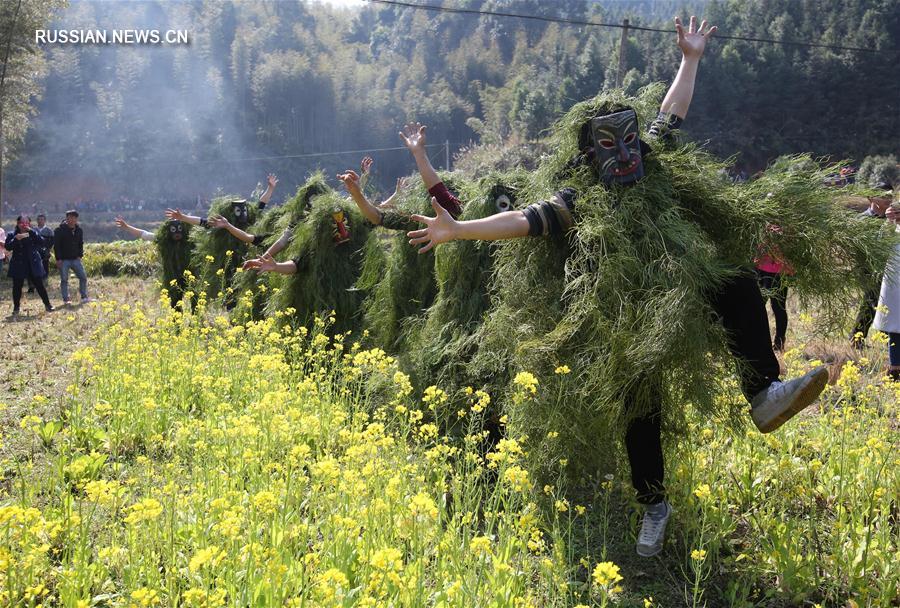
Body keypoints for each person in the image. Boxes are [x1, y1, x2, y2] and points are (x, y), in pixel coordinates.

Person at [407, 16, 830, 558]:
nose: (628, 154)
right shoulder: (576, 200)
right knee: (640, 403)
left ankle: (762, 393)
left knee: (734, 278)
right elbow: (522, 220)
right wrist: (459, 228)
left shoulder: (648, 160)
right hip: (627, 314)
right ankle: (654, 506)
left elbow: (669, 115)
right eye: (611, 146)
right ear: (587, 156)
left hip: (681, 284)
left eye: (630, 141)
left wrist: (691, 59)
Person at [850, 181, 893, 347]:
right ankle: (885, 341)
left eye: (890, 196)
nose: (888, 199)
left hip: (888, 269)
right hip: (867, 269)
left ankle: (858, 338)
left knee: (877, 303)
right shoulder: (862, 220)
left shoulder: (892, 221)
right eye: (883, 196)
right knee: (873, 302)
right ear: (871, 198)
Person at [872, 201, 900, 381]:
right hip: (895, 283)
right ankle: (895, 367)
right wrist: (889, 222)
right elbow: (879, 245)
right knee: (894, 325)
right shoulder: (893, 230)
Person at [5, 215, 54, 315]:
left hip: (33, 263)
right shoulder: (12, 234)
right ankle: (16, 308)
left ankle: (48, 305)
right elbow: (8, 247)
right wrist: (16, 239)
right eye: (22, 223)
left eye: (26, 223)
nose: (24, 225)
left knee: (39, 285)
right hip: (19, 263)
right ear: (18, 224)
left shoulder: (33, 232)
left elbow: (42, 242)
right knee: (17, 287)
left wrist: (31, 231)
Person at [755, 224, 793, 351]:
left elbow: (784, 250)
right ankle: (759, 341)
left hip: (779, 272)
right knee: (758, 307)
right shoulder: (764, 221)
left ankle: (779, 343)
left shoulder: (788, 225)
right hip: (762, 269)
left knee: (778, 307)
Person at [54, 210, 89, 305]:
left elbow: (80, 243)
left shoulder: (79, 230)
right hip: (64, 260)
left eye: (74, 217)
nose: (72, 219)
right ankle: (66, 299)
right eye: (70, 217)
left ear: (76, 219)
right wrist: (58, 259)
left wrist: (80, 255)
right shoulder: (59, 230)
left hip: (75, 259)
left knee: (83, 277)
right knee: (64, 280)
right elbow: (56, 245)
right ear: (66, 218)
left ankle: (84, 297)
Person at [27, 214, 54, 293]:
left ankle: (44, 284)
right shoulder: (33, 230)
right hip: (35, 252)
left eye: (42, 219)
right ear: (37, 220)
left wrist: (47, 249)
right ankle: (32, 286)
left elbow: (51, 242)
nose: (40, 221)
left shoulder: (49, 230)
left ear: (44, 220)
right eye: (39, 219)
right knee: (33, 268)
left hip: (45, 252)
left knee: (45, 267)